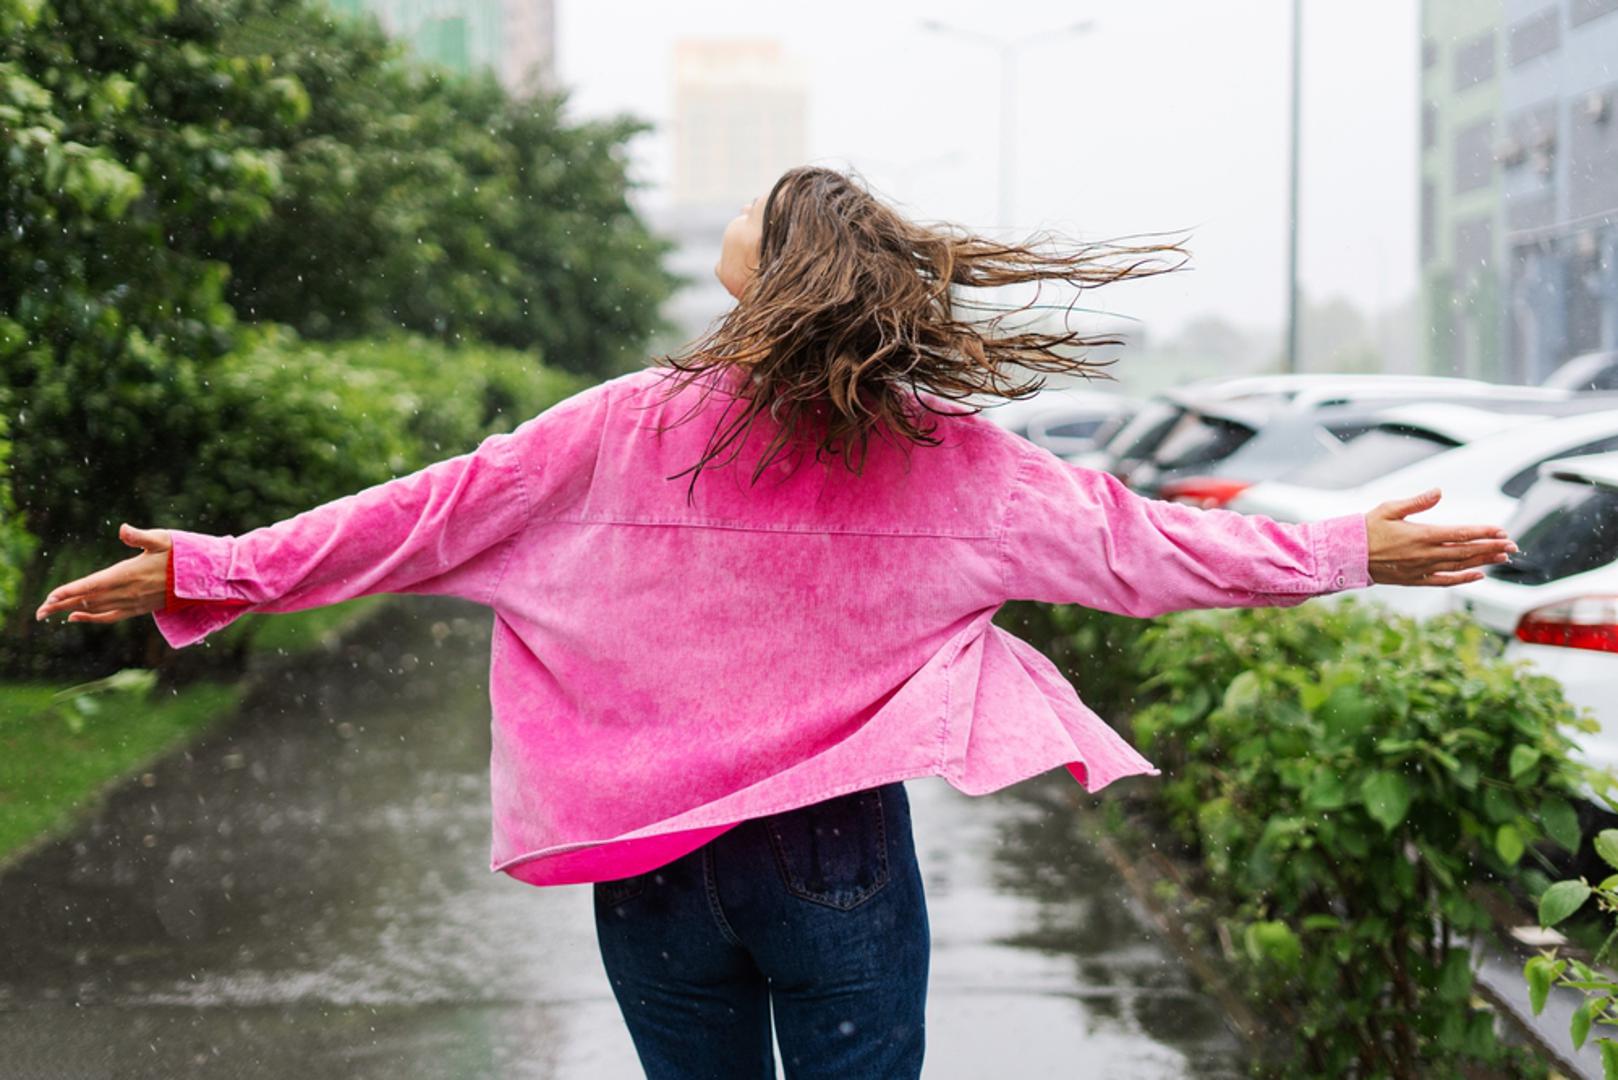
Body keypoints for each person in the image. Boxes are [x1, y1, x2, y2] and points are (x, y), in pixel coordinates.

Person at [34, 166, 1516, 1079]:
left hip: (652, 856)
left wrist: (220, 567)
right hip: (833, 855)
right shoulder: (944, 458)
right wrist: (1335, 551)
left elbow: (423, 511)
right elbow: (1133, 548)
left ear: (762, 273)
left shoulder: (617, 429)